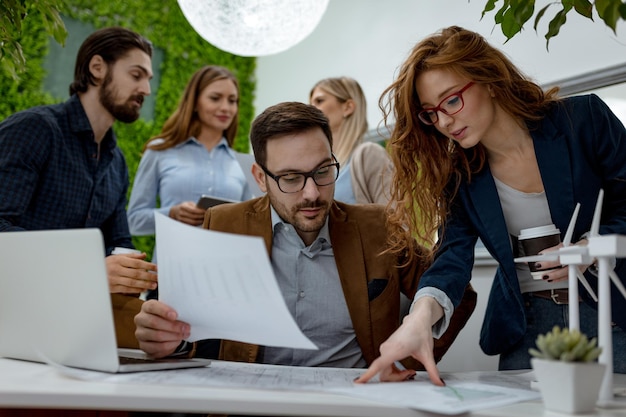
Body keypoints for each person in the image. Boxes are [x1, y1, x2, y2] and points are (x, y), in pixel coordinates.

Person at [357, 26, 626, 385]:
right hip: (529, 325)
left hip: (611, 314)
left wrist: (588, 249)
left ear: (489, 79)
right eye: (431, 113)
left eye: (451, 100)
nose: (444, 121)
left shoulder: (583, 120)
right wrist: (418, 319)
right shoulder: (462, 174)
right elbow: (452, 257)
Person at [134, 101, 476, 374]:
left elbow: (456, 294)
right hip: (249, 406)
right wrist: (169, 340)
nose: (312, 193)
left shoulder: (377, 227)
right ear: (260, 178)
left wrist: (408, 364)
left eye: (323, 171)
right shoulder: (223, 224)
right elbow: (194, 333)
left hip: (352, 407)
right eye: (291, 178)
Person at [0, 26, 158, 346]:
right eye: (137, 75)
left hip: (76, 326)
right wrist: (88, 269)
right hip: (13, 318)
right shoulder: (35, 130)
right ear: (97, 68)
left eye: (149, 79)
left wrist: (143, 274)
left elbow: (120, 243)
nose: (146, 89)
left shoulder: (117, 163)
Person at [127, 65, 252, 238]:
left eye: (232, 101)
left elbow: (249, 229)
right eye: (215, 98)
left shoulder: (241, 164)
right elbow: (134, 221)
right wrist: (171, 213)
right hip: (171, 262)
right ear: (194, 103)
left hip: (224, 263)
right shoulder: (159, 151)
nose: (225, 107)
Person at [309, 76, 393, 204]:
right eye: (310, 104)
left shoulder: (369, 155)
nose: (311, 109)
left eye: (319, 101)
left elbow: (395, 218)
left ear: (348, 107)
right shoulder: (318, 168)